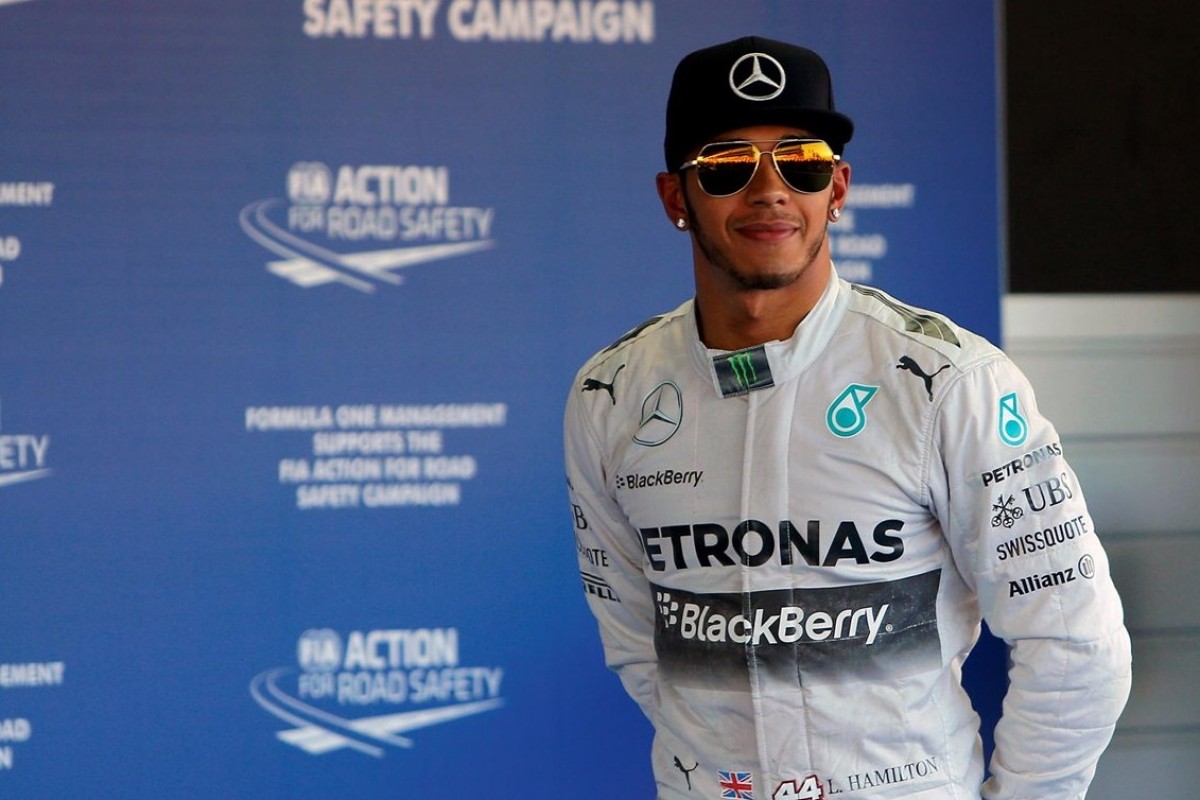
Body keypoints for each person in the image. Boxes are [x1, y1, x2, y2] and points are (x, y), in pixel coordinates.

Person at [564, 35, 1132, 800]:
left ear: (837, 188)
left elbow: (1076, 643)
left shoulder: (950, 382)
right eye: (728, 165)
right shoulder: (609, 395)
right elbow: (643, 647)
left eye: (800, 161)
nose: (770, 191)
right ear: (676, 198)